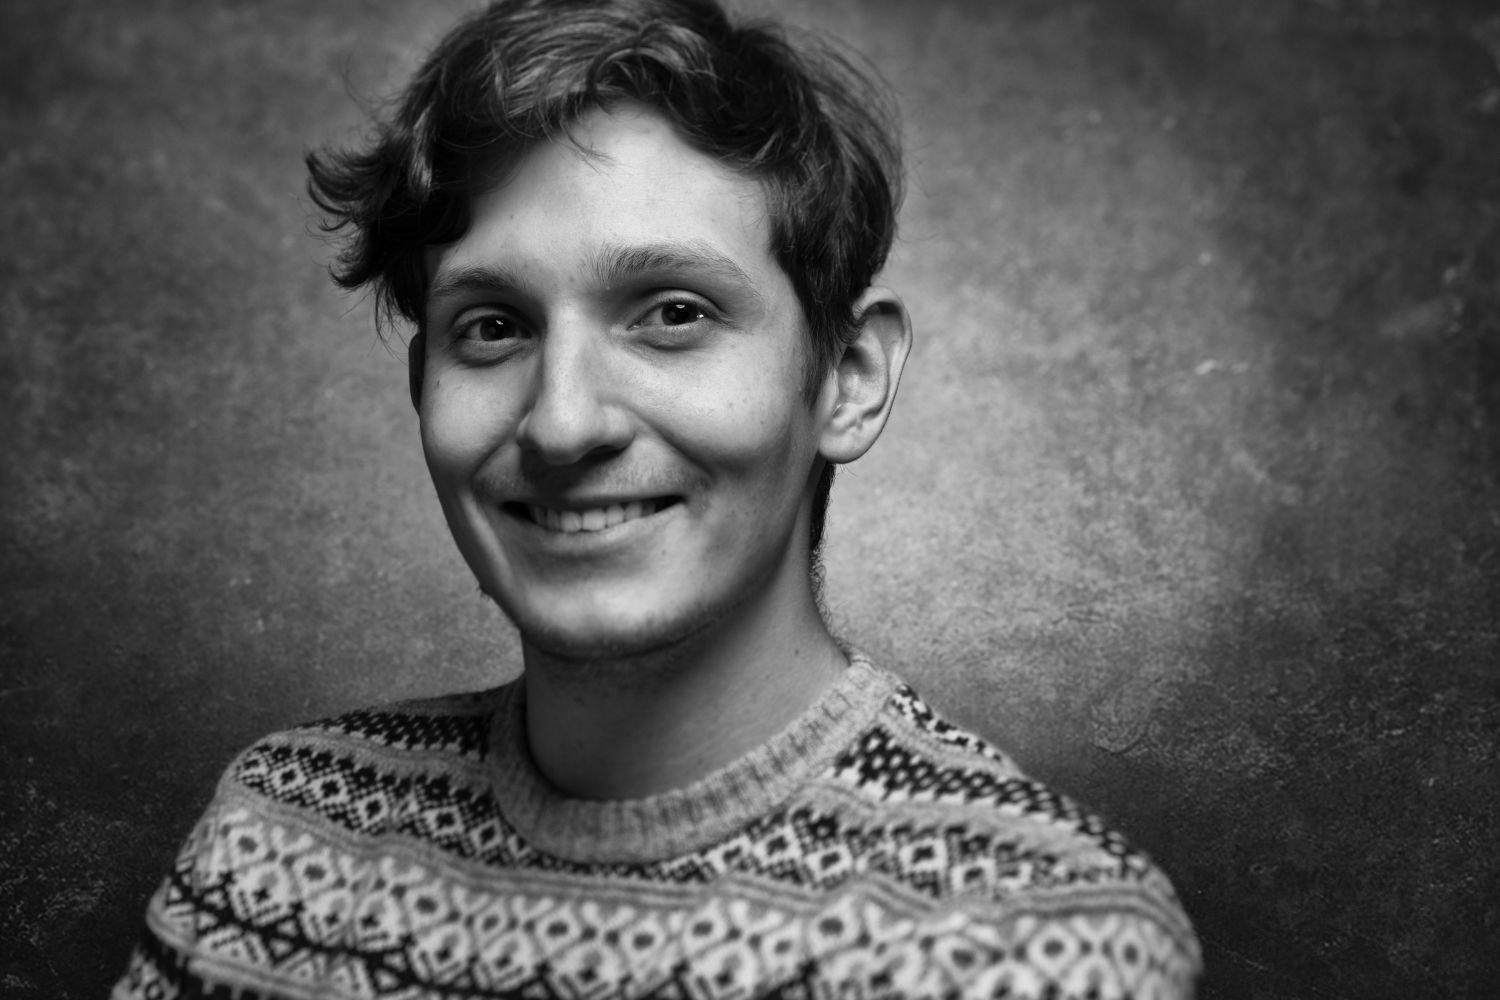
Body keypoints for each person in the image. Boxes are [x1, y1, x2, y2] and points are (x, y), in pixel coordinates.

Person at [113, 0, 1200, 996]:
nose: (562, 422)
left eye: (673, 312)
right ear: (423, 387)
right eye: (493, 327)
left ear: (849, 380)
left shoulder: (1037, 947)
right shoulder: (276, 839)